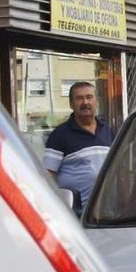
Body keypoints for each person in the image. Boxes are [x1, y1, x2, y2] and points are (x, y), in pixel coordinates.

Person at [43, 81, 114, 210]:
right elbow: (48, 177)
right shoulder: (59, 135)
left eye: (89, 97)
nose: (85, 102)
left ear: (96, 102)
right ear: (71, 104)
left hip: (108, 211)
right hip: (77, 214)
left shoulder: (108, 130)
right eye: (79, 98)